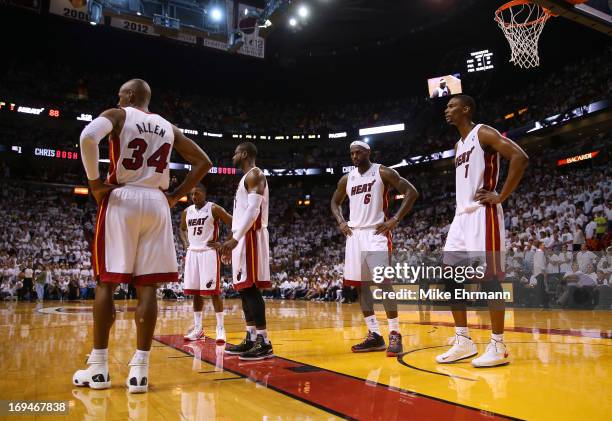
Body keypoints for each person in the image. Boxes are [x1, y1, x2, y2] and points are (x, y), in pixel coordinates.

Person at [73, 79, 212, 393]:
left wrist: (95, 183)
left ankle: (98, 367)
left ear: (130, 95)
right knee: (148, 287)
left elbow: (87, 137)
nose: (117, 98)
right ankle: (140, 371)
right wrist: (176, 195)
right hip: (157, 202)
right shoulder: (166, 125)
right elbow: (204, 162)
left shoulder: (119, 115)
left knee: (106, 282)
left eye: (120, 94)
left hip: (123, 197)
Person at [436, 95, 528, 367]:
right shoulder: (458, 144)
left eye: (451, 106)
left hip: (482, 213)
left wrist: (501, 196)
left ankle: (498, 345)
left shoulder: (483, 132)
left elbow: (520, 157)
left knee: (489, 280)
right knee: (450, 278)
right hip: (460, 216)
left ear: (466, 109)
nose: (447, 109)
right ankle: (463, 341)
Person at [330, 141, 418, 356]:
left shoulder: (383, 172)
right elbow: (334, 202)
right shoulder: (346, 179)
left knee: (383, 283)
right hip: (354, 235)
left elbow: (411, 192)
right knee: (361, 286)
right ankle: (374, 335)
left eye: (358, 152)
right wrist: (341, 221)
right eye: (351, 153)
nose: (355, 156)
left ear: (368, 152)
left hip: (376, 234)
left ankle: (395, 334)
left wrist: (395, 219)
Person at [213, 142, 273, 361]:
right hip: (242, 236)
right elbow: (240, 216)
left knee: (252, 288)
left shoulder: (255, 175)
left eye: (236, 152)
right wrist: (232, 239)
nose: (233, 155)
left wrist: (236, 238)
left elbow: (253, 211)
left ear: (245, 154)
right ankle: (251, 336)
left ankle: (264, 342)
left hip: (251, 236)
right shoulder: (245, 178)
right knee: (244, 289)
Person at [180, 184, 232, 344]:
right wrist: (185, 244)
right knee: (195, 292)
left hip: (208, 253)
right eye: (191, 194)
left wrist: (225, 243)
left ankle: (220, 328)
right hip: (193, 253)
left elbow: (233, 223)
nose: (194, 196)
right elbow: (182, 229)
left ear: (204, 193)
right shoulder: (186, 212)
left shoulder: (213, 208)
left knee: (214, 292)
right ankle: (198, 329)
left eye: (197, 193)